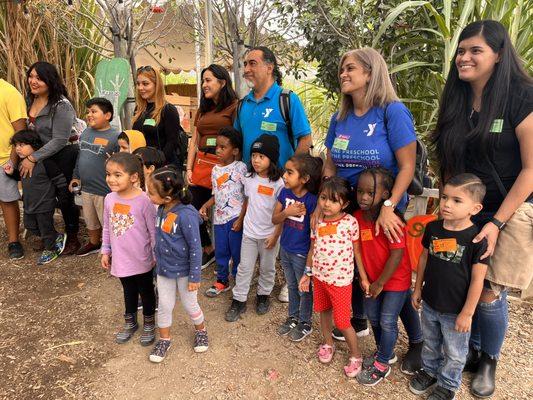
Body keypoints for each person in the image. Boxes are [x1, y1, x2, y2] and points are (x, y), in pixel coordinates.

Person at [431, 20, 532, 398]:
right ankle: (469, 350)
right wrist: (452, 209)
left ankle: (489, 358)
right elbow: (450, 161)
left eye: (476, 50)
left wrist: (495, 222)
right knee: (459, 279)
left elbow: (531, 169)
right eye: (462, 50)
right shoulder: (456, 99)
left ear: (499, 55)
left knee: (488, 289)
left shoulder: (522, 96)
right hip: (466, 206)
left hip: (511, 205)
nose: (465, 57)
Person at [323, 48, 423, 374]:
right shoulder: (340, 119)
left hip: (386, 212)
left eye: (350, 68)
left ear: (370, 72)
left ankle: (418, 341)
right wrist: (325, 203)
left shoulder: (391, 112)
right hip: (351, 213)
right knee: (359, 270)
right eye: (341, 69)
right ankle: (360, 320)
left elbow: (407, 167)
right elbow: (329, 163)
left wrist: (390, 206)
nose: (343, 74)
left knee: (392, 278)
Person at [410, 174, 488, 400]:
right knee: (431, 342)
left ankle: (448, 385)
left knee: (454, 352)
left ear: (475, 208)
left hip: (456, 310)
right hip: (431, 302)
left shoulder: (477, 239)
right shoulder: (433, 228)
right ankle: (430, 371)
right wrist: (417, 288)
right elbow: (424, 258)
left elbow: (477, 280)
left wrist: (468, 313)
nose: (446, 204)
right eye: (445, 197)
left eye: (456, 200)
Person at [353, 168, 416, 386]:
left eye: (370, 193)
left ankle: (382, 364)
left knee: (388, 320)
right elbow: (358, 248)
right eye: (360, 191)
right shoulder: (358, 217)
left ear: (386, 195)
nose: (363, 197)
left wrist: (380, 283)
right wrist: (366, 278)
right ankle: (385, 353)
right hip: (371, 280)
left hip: (395, 281)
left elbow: (397, 253)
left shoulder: (392, 220)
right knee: (374, 318)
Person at [299, 177, 365, 378]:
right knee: (323, 312)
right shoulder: (317, 221)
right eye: (323, 198)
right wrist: (307, 274)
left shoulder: (350, 223)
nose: (326, 204)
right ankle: (328, 343)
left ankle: (356, 355)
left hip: (341, 281)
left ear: (344, 203)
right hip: (319, 277)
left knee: (343, 320)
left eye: (333, 200)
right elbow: (312, 249)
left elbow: (357, 251)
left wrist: (363, 278)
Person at [146, 166, 208, 362]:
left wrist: (195, 276)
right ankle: (165, 339)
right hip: (164, 269)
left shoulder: (187, 215)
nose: (148, 195)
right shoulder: (162, 208)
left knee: (190, 304)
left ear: (166, 198)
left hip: (184, 272)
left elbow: (196, 248)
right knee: (164, 305)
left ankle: (201, 330)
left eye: (151, 193)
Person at [225, 134, 284, 322]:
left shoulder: (279, 183)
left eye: (261, 156)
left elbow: (281, 213)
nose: (256, 160)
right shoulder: (249, 178)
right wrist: (241, 220)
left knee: (267, 268)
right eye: (253, 156)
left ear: (272, 159)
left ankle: (263, 296)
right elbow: (247, 201)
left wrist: (275, 236)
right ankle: (239, 299)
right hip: (249, 233)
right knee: (244, 267)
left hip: (269, 235)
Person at [24, 61, 81, 255]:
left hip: (65, 154)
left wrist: (32, 158)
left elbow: (59, 140)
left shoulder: (61, 105)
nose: (33, 81)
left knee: (66, 197)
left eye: (39, 78)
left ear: (50, 80)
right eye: (31, 76)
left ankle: (73, 237)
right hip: (44, 156)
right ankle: (50, 235)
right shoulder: (31, 99)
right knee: (45, 195)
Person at [100, 153, 157, 346]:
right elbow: (107, 226)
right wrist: (105, 249)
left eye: (117, 175)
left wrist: (156, 254)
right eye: (108, 174)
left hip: (142, 257)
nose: (111, 179)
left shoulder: (145, 201)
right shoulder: (109, 199)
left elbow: (153, 231)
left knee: (146, 291)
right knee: (128, 290)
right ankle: (130, 322)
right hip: (121, 257)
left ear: (134, 177)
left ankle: (149, 323)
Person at [186, 64, 239, 269]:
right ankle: (208, 249)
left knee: (225, 212)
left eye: (208, 80)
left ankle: (230, 259)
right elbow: (194, 139)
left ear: (223, 82)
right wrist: (189, 168)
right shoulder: (203, 109)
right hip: (201, 165)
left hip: (224, 167)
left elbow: (237, 140)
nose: (204, 85)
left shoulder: (235, 107)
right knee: (190, 208)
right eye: (203, 81)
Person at [234, 46, 312, 167]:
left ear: (269, 68)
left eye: (252, 64)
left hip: (280, 183)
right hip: (248, 182)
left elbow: (306, 140)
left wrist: (289, 173)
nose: (246, 69)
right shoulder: (242, 104)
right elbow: (237, 143)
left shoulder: (287, 99)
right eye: (245, 64)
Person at [272, 153, 321, 342]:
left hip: (302, 253)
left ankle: (305, 322)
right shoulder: (284, 193)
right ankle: (292, 316)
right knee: (292, 285)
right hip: (285, 248)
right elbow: (274, 219)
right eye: (285, 171)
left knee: (304, 288)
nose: (284, 175)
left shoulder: (312, 201)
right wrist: (287, 212)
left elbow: (314, 233)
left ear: (305, 178)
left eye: (290, 172)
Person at [4, 130, 67, 264]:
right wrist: (11, 173)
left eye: (22, 145)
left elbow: (59, 180)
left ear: (34, 145)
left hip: (45, 203)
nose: (18, 149)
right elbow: (22, 177)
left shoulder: (46, 163)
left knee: (45, 228)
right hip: (29, 203)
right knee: (30, 226)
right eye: (16, 145)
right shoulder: (22, 163)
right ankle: (56, 236)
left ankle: (51, 249)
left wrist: (62, 198)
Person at [199, 127, 247, 297]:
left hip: (235, 219)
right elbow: (217, 194)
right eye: (217, 147)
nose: (218, 150)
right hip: (218, 221)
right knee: (221, 251)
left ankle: (240, 282)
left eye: (223, 147)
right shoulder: (215, 170)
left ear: (235, 150)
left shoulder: (241, 168)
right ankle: (222, 281)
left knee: (237, 252)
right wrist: (206, 205)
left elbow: (247, 196)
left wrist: (241, 219)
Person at [70, 97, 120, 256]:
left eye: (94, 111)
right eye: (88, 111)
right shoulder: (85, 133)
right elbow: (80, 157)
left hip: (104, 189)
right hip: (86, 187)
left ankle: (114, 250)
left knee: (108, 222)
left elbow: (122, 161)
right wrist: (76, 176)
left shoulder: (116, 136)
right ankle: (94, 242)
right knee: (90, 219)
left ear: (107, 115)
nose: (89, 115)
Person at [132, 65, 183, 167]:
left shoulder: (168, 110)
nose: (140, 88)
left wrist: (158, 163)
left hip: (161, 167)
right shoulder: (138, 109)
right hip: (142, 166)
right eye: (138, 84)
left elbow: (172, 142)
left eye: (145, 84)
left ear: (157, 85)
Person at [0, 77, 27, 259]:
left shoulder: (9, 93)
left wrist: (12, 161)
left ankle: (13, 241)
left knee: (8, 201)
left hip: (4, 159)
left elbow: (20, 130)